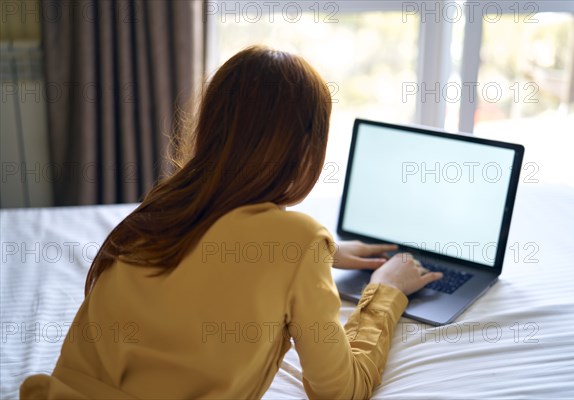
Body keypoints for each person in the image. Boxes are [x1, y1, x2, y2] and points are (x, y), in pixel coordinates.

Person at [20, 45, 442, 399]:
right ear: (306, 150)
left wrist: (323, 254)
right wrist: (386, 290)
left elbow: (215, 266)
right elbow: (340, 388)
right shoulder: (297, 241)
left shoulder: (163, 208)